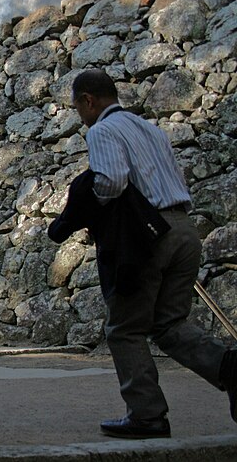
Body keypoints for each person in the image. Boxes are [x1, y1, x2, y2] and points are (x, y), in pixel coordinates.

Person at [48, 69, 236, 439]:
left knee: (124, 327)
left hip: (146, 235)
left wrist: (96, 210)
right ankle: (229, 367)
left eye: (78, 108)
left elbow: (112, 181)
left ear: (88, 100)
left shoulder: (102, 130)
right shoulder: (150, 128)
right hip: (183, 228)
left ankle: (147, 414)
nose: (80, 116)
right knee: (169, 324)